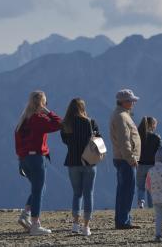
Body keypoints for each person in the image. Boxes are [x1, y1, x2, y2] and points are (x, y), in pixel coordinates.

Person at [15, 90, 62, 236]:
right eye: (45, 103)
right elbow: (60, 123)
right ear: (41, 103)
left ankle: (26, 214)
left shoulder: (23, 120)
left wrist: (21, 158)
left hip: (24, 159)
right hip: (36, 158)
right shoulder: (38, 118)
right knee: (38, 189)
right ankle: (35, 224)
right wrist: (48, 111)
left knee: (37, 188)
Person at [60, 98, 101, 236]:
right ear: (83, 107)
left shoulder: (65, 124)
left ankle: (75, 224)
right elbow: (99, 140)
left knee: (77, 194)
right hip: (89, 162)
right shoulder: (90, 122)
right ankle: (86, 226)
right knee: (88, 194)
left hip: (72, 162)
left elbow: (65, 141)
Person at [110, 89, 141, 229]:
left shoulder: (121, 114)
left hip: (122, 158)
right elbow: (124, 140)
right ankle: (123, 221)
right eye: (131, 100)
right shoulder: (121, 116)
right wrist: (130, 157)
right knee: (127, 191)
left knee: (123, 190)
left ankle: (123, 219)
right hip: (125, 159)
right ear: (123, 102)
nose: (133, 103)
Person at [136, 116, 161, 209]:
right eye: (155, 125)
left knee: (141, 187)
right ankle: (151, 206)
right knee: (151, 188)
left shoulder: (139, 136)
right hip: (152, 165)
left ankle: (141, 202)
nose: (155, 127)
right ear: (152, 125)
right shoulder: (156, 138)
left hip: (140, 165)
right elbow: (159, 152)